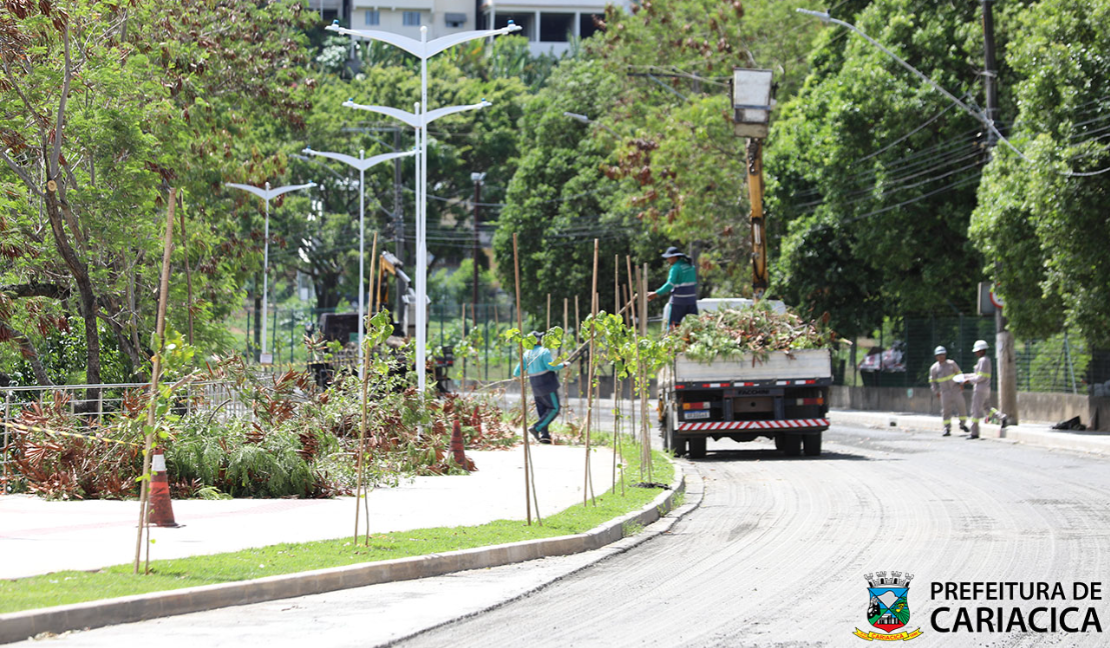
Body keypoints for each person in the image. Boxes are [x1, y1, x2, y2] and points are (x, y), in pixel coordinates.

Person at [513, 331, 570, 444]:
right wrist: (564, 365)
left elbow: (517, 372)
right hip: (547, 384)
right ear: (538, 340)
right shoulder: (544, 351)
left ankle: (545, 437)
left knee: (543, 410)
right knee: (554, 408)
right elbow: (551, 367)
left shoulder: (526, 354)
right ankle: (536, 428)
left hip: (535, 385)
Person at [648, 246, 698, 328]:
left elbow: (670, 284)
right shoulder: (690, 266)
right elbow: (694, 283)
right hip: (691, 301)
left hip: (678, 302)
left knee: (673, 326)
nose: (667, 260)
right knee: (695, 326)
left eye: (668, 258)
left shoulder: (675, 268)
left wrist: (656, 293)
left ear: (674, 257)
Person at [929, 346, 969, 436]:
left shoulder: (951, 364)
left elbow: (959, 373)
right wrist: (936, 392)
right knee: (946, 411)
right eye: (939, 355)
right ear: (936, 357)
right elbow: (932, 382)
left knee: (962, 407)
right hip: (944, 392)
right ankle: (946, 428)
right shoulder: (934, 368)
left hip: (955, 389)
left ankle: (962, 424)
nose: (941, 357)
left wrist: (961, 384)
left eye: (942, 355)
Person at [967, 339, 992, 439]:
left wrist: (968, 381)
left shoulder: (982, 360)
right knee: (987, 408)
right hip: (986, 388)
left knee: (975, 411)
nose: (976, 353)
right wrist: (965, 376)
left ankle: (974, 432)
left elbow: (980, 377)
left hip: (980, 389)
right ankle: (1001, 417)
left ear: (981, 350)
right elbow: (977, 375)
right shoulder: (987, 360)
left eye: (977, 351)